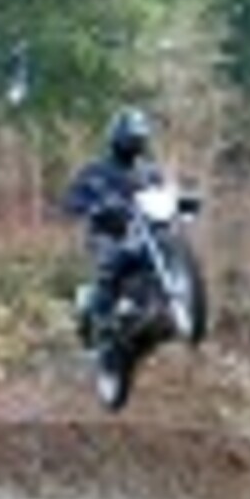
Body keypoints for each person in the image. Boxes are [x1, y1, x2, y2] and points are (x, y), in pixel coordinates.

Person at [62, 106, 161, 347]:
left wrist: (179, 203)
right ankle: (100, 318)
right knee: (111, 262)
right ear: (117, 136)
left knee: (162, 259)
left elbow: (163, 196)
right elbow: (72, 199)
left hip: (145, 235)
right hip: (107, 233)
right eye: (132, 137)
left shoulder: (150, 173)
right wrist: (94, 206)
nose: (136, 142)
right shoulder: (95, 170)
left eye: (140, 137)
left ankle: (158, 310)